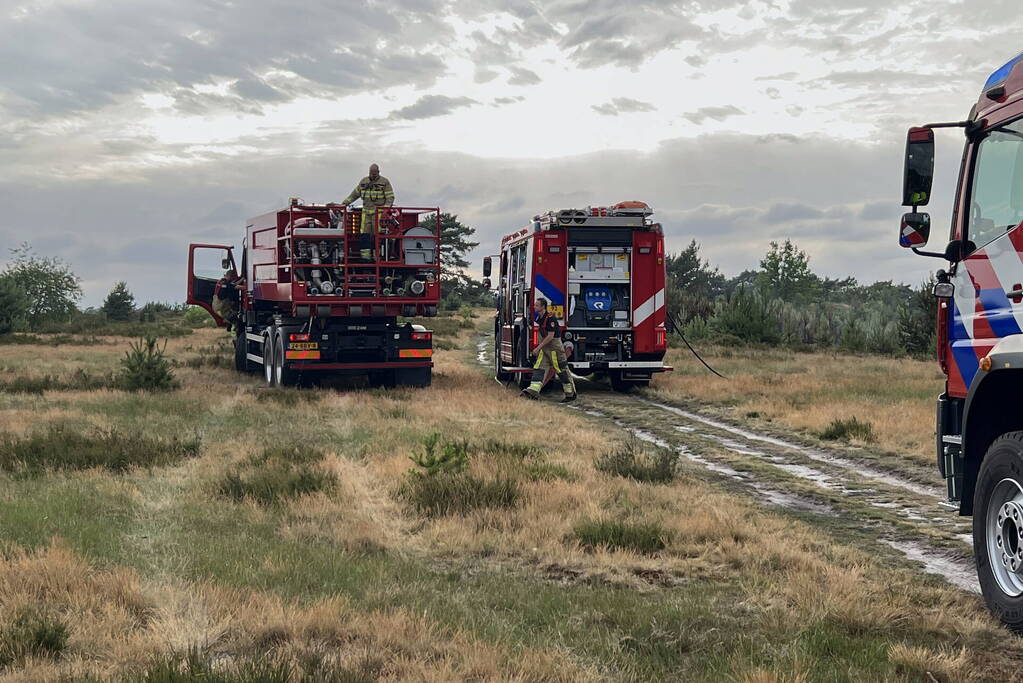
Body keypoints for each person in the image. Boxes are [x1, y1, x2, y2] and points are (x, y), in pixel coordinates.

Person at [521, 297, 577, 402]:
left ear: (543, 307)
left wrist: (538, 348)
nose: (534, 307)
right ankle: (532, 391)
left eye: (537, 305)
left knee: (562, 371)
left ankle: (570, 394)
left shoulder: (551, 319)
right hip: (545, 349)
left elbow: (550, 336)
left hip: (555, 350)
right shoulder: (539, 317)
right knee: (539, 368)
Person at [339, 163, 395, 259]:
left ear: (378, 172)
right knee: (364, 234)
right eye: (371, 173)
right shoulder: (364, 182)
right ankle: (365, 258)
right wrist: (344, 204)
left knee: (378, 234)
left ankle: (377, 256)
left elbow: (390, 197)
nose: (373, 175)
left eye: (374, 174)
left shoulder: (384, 182)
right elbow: (354, 194)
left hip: (379, 213)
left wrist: (385, 210)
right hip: (366, 212)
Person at [212, 267, 243, 332]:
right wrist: (249, 287)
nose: (233, 279)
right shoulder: (226, 284)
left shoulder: (221, 282)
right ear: (229, 276)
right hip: (221, 308)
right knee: (238, 322)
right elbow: (237, 287)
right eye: (232, 278)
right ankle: (235, 331)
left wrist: (242, 279)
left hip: (216, 306)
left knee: (231, 316)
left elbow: (233, 285)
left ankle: (229, 324)